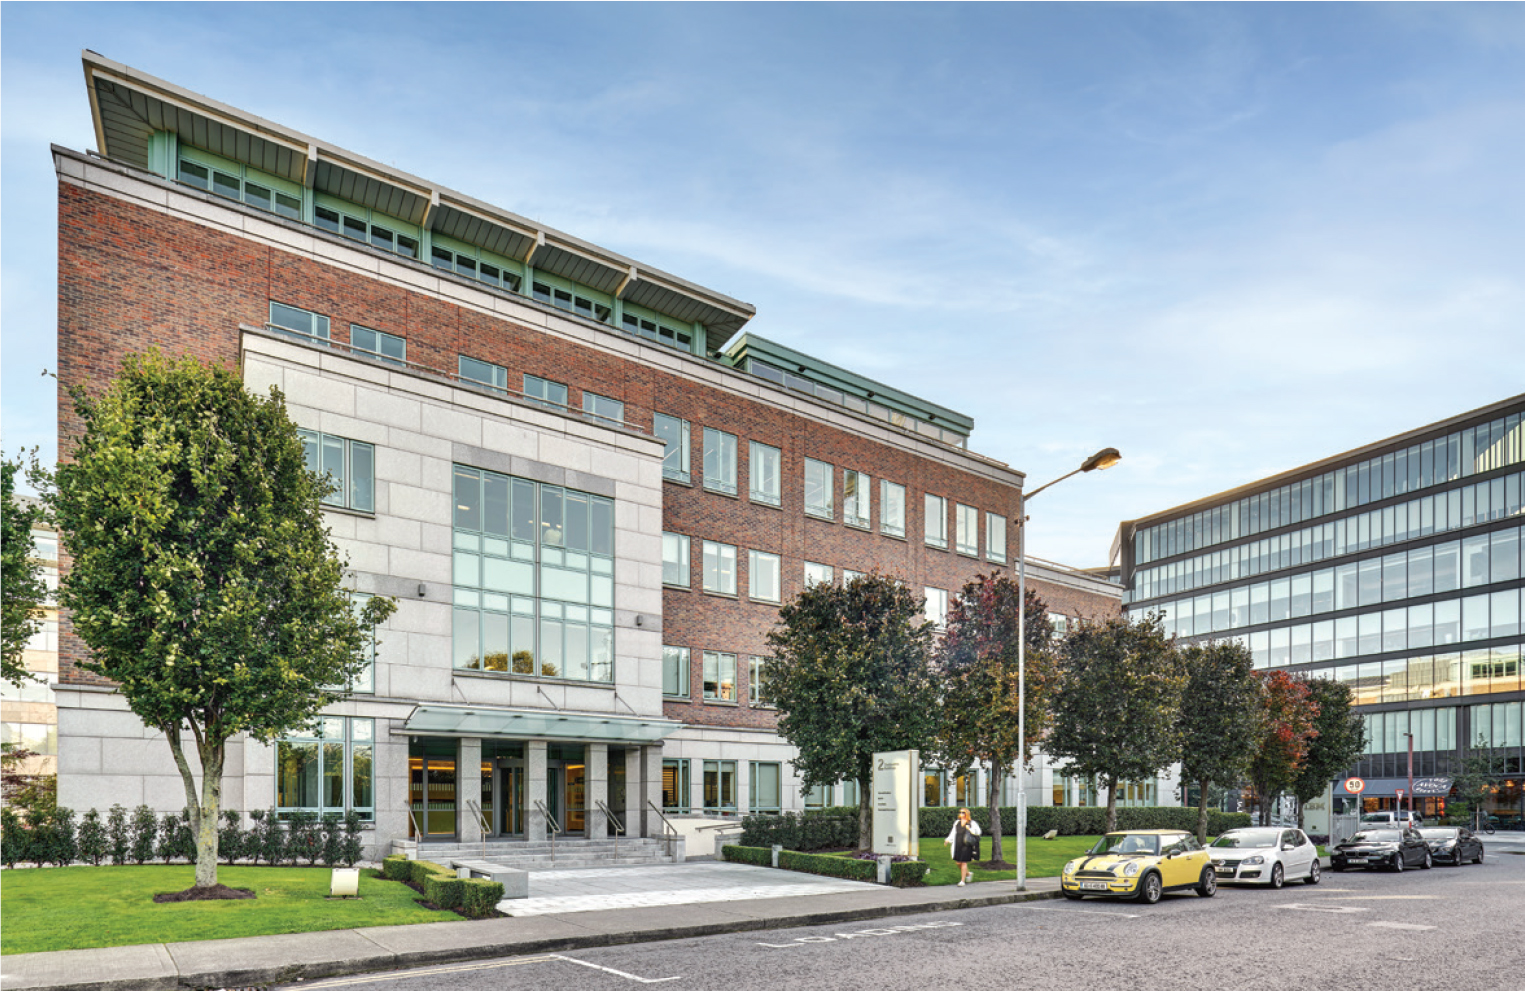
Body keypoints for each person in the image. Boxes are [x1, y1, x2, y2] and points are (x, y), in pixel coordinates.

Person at [944, 807, 982, 886]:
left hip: (966, 845)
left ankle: (962, 881)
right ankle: (968, 874)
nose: (961, 814)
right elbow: (953, 832)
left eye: (963, 812)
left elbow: (978, 832)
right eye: (960, 812)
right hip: (958, 844)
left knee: (964, 862)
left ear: (967, 814)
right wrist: (948, 840)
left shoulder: (971, 823)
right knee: (958, 863)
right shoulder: (957, 822)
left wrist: (970, 829)